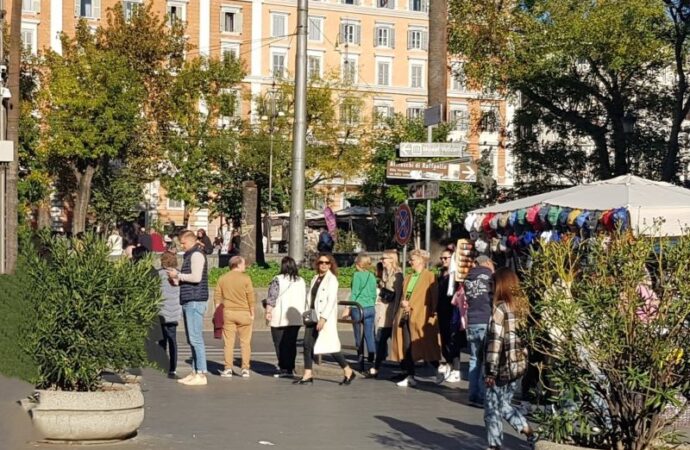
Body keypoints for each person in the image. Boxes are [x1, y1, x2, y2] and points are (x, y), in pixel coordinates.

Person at [484, 268, 539, 449]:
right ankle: (528, 431)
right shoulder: (523, 306)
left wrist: (490, 370)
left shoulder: (500, 307)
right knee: (503, 404)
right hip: (517, 365)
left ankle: (495, 445)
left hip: (501, 365)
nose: (489, 289)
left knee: (493, 407)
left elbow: (495, 340)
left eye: (492, 284)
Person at [294, 253, 356, 386]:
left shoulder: (332, 280)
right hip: (312, 315)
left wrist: (323, 319)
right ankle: (308, 373)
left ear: (330, 264)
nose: (323, 265)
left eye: (327, 263)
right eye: (321, 262)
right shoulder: (315, 278)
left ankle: (347, 369)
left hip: (323, 317)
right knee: (307, 344)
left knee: (331, 346)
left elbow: (331, 300)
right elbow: (310, 298)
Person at [391, 249, 442, 387]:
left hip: (422, 316)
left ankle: (438, 368)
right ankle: (410, 375)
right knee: (407, 346)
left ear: (421, 260)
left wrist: (433, 313)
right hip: (406, 315)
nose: (410, 262)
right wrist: (404, 304)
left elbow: (434, 297)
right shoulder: (408, 277)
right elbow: (404, 295)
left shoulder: (430, 276)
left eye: (412, 259)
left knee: (425, 344)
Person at [167, 230, 209, 386]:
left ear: (190, 241)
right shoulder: (190, 255)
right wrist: (177, 280)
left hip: (195, 300)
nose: (181, 246)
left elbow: (196, 277)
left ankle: (201, 373)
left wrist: (178, 275)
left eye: (183, 243)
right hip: (190, 298)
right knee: (192, 338)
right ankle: (195, 371)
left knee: (195, 338)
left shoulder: (196, 255)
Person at [213, 256, 255, 378]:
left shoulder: (223, 278)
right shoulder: (246, 278)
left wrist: (217, 310)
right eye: (243, 264)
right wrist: (252, 312)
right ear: (237, 264)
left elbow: (217, 295)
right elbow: (250, 297)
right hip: (244, 313)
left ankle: (228, 368)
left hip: (228, 313)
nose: (245, 266)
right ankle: (245, 368)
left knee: (228, 343)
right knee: (245, 343)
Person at [265, 256, 306, 378]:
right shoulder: (301, 280)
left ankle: (283, 367)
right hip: (296, 317)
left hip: (279, 316)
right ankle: (290, 367)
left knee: (279, 343)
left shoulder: (278, 279)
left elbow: (272, 297)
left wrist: (268, 311)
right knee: (291, 343)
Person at [368, 250, 403, 379]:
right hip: (384, 312)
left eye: (384, 258)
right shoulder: (385, 274)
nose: (382, 260)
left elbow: (398, 295)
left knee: (391, 341)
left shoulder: (397, 275)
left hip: (391, 313)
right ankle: (376, 368)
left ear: (392, 259)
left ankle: (405, 369)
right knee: (381, 340)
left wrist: (396, 314)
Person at [465, 254, 495, 406]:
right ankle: (483, 396)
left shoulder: (468, 278)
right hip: (485, 319)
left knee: (474, 359)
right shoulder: (490, 276)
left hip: (472, 321)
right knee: (486, 360)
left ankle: (472, 394)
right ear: (488, 262)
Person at [343, 253, 377, 365]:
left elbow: (355, 293)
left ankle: (360, 355)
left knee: (357, 333)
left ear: (359, 264)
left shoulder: (357, 276)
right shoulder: (372, 276)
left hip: (358, 307)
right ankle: (372, 356)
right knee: (369, 333)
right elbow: (374, 294)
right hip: (370, 308)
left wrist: (348, 307)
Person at [437, 249, 462, 383]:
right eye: (441, 258)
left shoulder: (455, 276)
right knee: (445, 340)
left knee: (453, 340)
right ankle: (449, 364)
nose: (443, 260)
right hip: (442, 311)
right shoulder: (441, 275)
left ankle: (456, 369)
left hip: (452, 311)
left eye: (446, 258)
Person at [158, 251, 182, 378]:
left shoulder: (158, 274)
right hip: (174, 312)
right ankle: (173, 368)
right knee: (173, 340)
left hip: (161, 311)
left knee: (162, 340)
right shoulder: (178, 275)